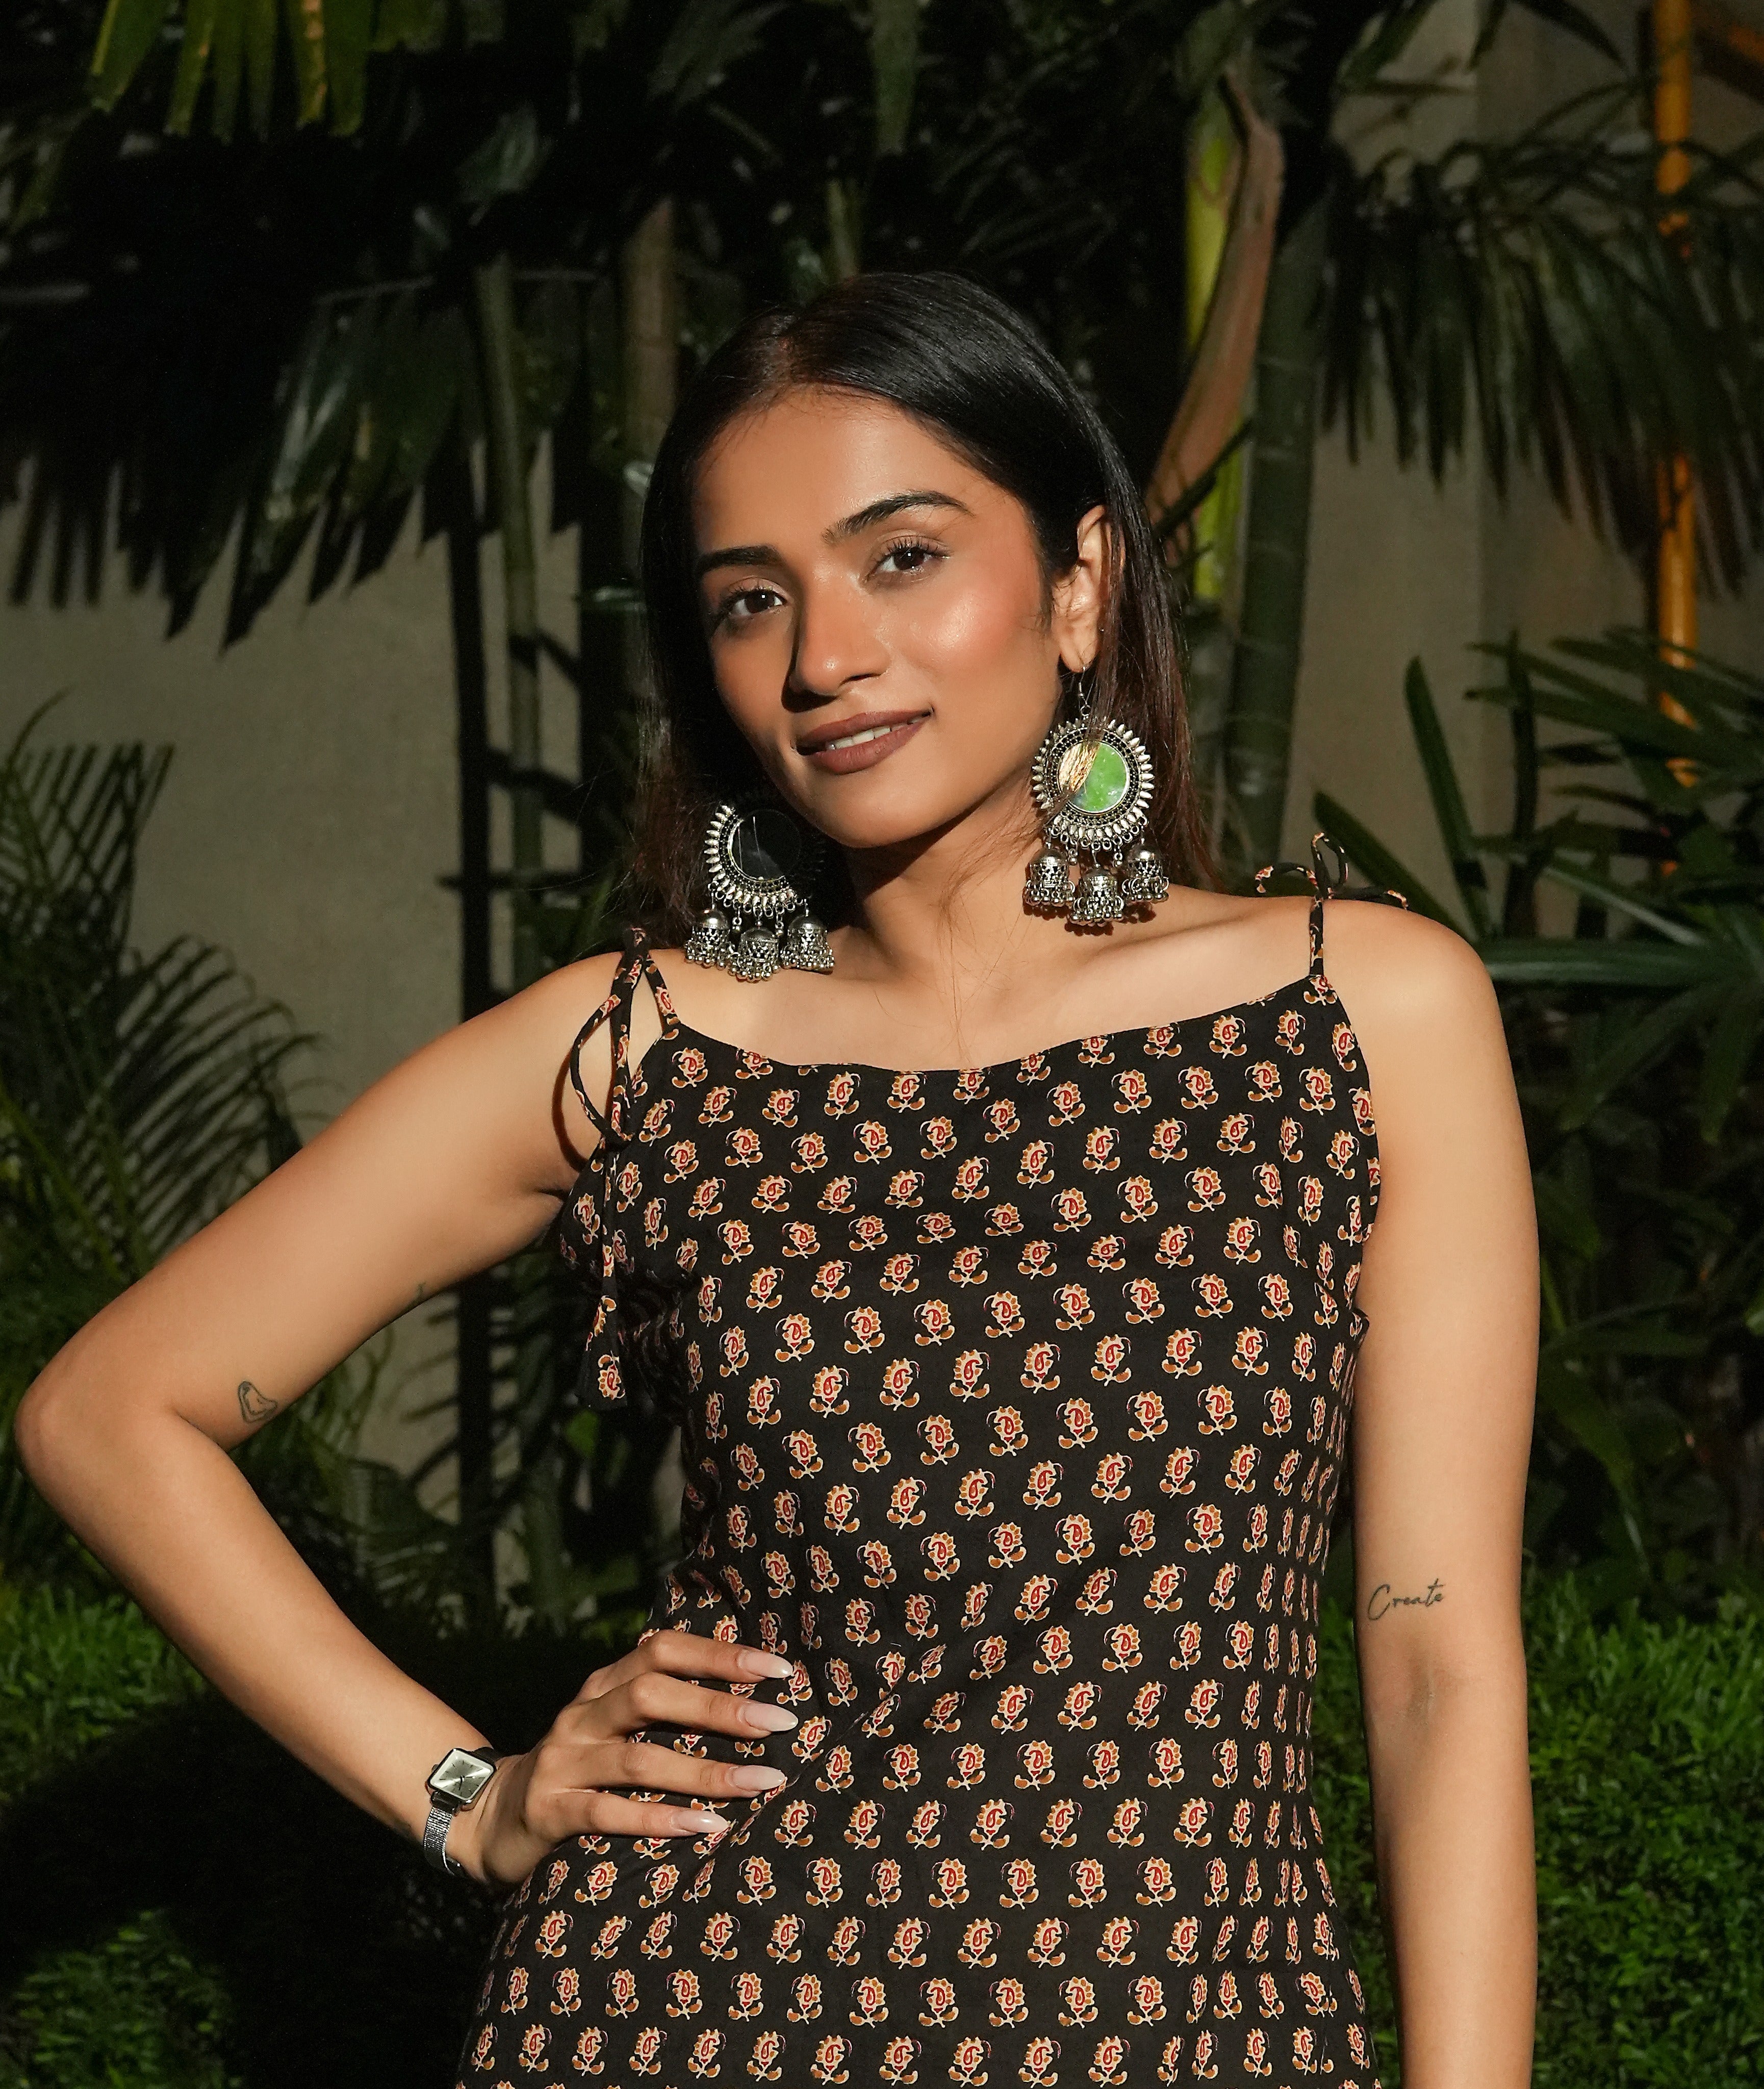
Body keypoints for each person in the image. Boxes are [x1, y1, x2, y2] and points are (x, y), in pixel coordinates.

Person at [18, 272, 1537, 2089]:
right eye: (752, 599)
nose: (826, 656)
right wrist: (465, 1796)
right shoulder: (644, 1049)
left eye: (903, 557)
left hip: (1194, 2037)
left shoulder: (1358, 1011)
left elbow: (1436, 1672)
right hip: (679, 2018)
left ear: (1077, 584)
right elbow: (111, 1411)